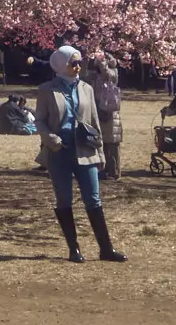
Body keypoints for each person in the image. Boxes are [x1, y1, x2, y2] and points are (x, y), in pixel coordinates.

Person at [36, 46, 126, 264]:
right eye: (72, 63)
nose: (78, 67)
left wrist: (101, 153)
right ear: (60, 64)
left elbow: (94, 121)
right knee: (64, 199)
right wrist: (50, 138)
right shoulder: (47, 89)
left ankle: (106, 249)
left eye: (79, 63)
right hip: (59, 152)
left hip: (85, 151)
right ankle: (73, 248)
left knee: (93, 199)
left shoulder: (85, 88)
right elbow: (39, 120)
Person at [84, 52, 124, 180]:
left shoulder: (113, 72)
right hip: (98, 109)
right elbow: (83, 77)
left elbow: (108, 74)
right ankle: (103, 169)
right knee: (101, 142)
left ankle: (114, 171)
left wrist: (102, 61)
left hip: (109, 112)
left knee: (112, 143)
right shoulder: (95, 76)